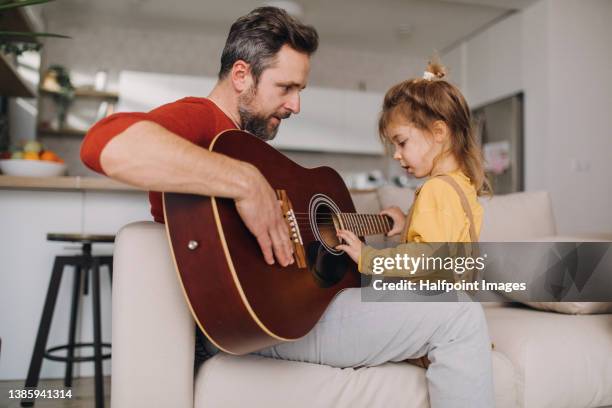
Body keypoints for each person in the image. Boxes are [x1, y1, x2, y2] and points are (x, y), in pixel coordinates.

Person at [81, 8, 494, 407]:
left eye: (300, 91)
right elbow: (105, 145)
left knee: (454, 297)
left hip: (303, 307)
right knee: (460, 318)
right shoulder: (203, 122)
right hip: (262, 324)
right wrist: (246, 184)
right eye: (286, 88)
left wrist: (384, 231)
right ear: (241, 75)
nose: (296, 105)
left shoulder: (248, 147)